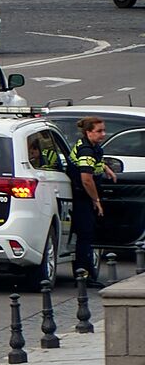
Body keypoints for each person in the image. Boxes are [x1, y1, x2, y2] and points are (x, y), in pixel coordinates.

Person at [70, 116, 117, 281]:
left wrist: (105, 168)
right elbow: (86, 179)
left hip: (84, 196)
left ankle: (85, 272)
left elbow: (94, 163)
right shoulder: (86, 151)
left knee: (87, 235)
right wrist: (96, 200)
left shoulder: (91, 146)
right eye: (99, 131)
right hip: (82, 198)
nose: (103, 134)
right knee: (85, 236)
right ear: (88, 132)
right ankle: (84, 275)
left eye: (104, 130)